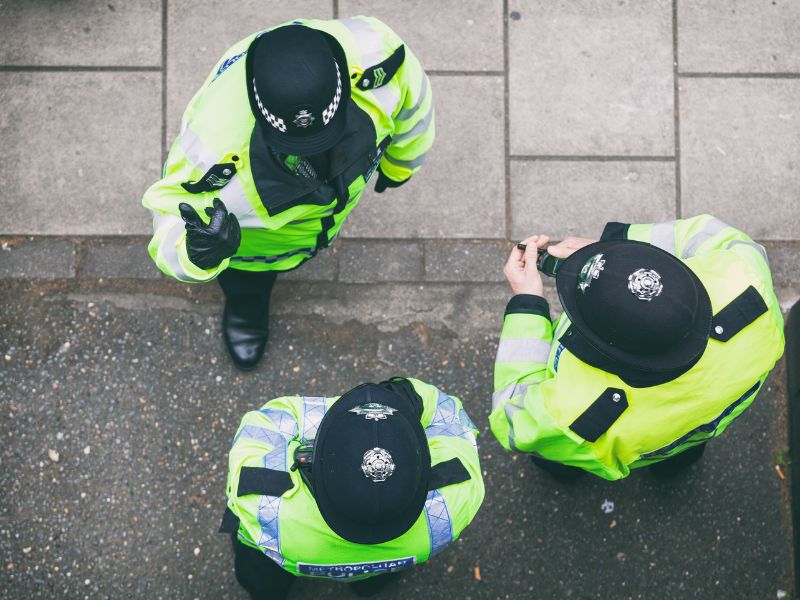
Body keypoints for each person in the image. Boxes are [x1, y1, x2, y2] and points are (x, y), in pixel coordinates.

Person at [142, 17, 434, 370]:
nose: (313, 154)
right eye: (296, 145)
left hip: (311, 228)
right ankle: (247, 310)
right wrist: (195, 252)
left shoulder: (378, 54)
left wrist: (401, 163)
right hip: (254, 252)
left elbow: (415, 106)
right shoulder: (208, 152)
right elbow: (167, 213)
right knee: (247, 283)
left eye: (325, 137)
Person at [490, 214, 785, 480]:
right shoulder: (747, 280)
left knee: (560, 457)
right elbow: (712, 234)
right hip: (702, 420)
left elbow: (512, 419)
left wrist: (527, 302)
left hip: (589, 442)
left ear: (609, 346)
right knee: (681, 450)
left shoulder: (577, 416)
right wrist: (619, 251)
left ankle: (566, 476)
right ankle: (672, 471)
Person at [220, 378, 484, 598]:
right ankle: (366, 585)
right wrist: (402, 397)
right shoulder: (450, 507)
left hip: (278, 558)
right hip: (389, 562)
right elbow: (450, 418)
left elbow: (267, 423)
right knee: (372, 580)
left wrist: (342, 425)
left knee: (263, 577)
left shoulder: (267, 506)